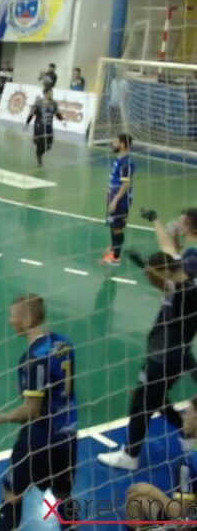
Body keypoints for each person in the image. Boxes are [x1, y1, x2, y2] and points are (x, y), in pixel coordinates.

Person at [0, 294, 78, 531]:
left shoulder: (32, 359)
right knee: (63, 491)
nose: (10, 320)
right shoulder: (64, 343)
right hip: (67, 435)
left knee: (12, 491)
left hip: (39, 440)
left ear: (27, 319)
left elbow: (32, 411)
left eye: (13, 315)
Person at [98, 251, 197, 471]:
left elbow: (163, 283)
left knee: (140, 406)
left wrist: (148, 268)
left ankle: (130, 455)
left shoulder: (184, 294)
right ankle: (186, 434)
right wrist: (145, 264)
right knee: (157, 398)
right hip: (169, 357)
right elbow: (165, 277)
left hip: (164, 360)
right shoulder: (183, 284)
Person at [125, 396, 197, 522]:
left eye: (187, 411)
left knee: (136, 501)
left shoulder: (188, 463)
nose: (184, 416)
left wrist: (152, 491)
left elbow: (180, 515)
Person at [101, 133, 136, 266]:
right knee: (113, 224)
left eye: (115, 141)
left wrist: (115, 200)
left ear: (122, 144)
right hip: (114, 196)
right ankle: (113, 249)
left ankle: (115, 257)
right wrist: (108, 194)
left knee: (118, 228)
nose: (112, 144)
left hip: (121, 200)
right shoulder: (119, 159)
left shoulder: (127, 163)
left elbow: (126, 184)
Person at [144, 208, 197, 279]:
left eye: (183, 223)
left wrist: (155, 220)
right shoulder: (190, 245)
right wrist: (174, 236)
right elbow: (177, 254)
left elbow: (171, 255)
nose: (177, 224)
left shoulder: (192, 253)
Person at [25, 86, 64, 167]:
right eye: (50, 93)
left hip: (49, 128)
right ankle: (39, 162)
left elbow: (57, 114)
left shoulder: (54, 103)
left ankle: (40, 154)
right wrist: (27, 123)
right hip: (39, 128)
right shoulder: (38, 103)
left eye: (52, 93)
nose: (52, 95)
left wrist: (62, 119)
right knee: (40, 145)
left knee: (48, 146)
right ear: (45, 94)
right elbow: (31, 114)